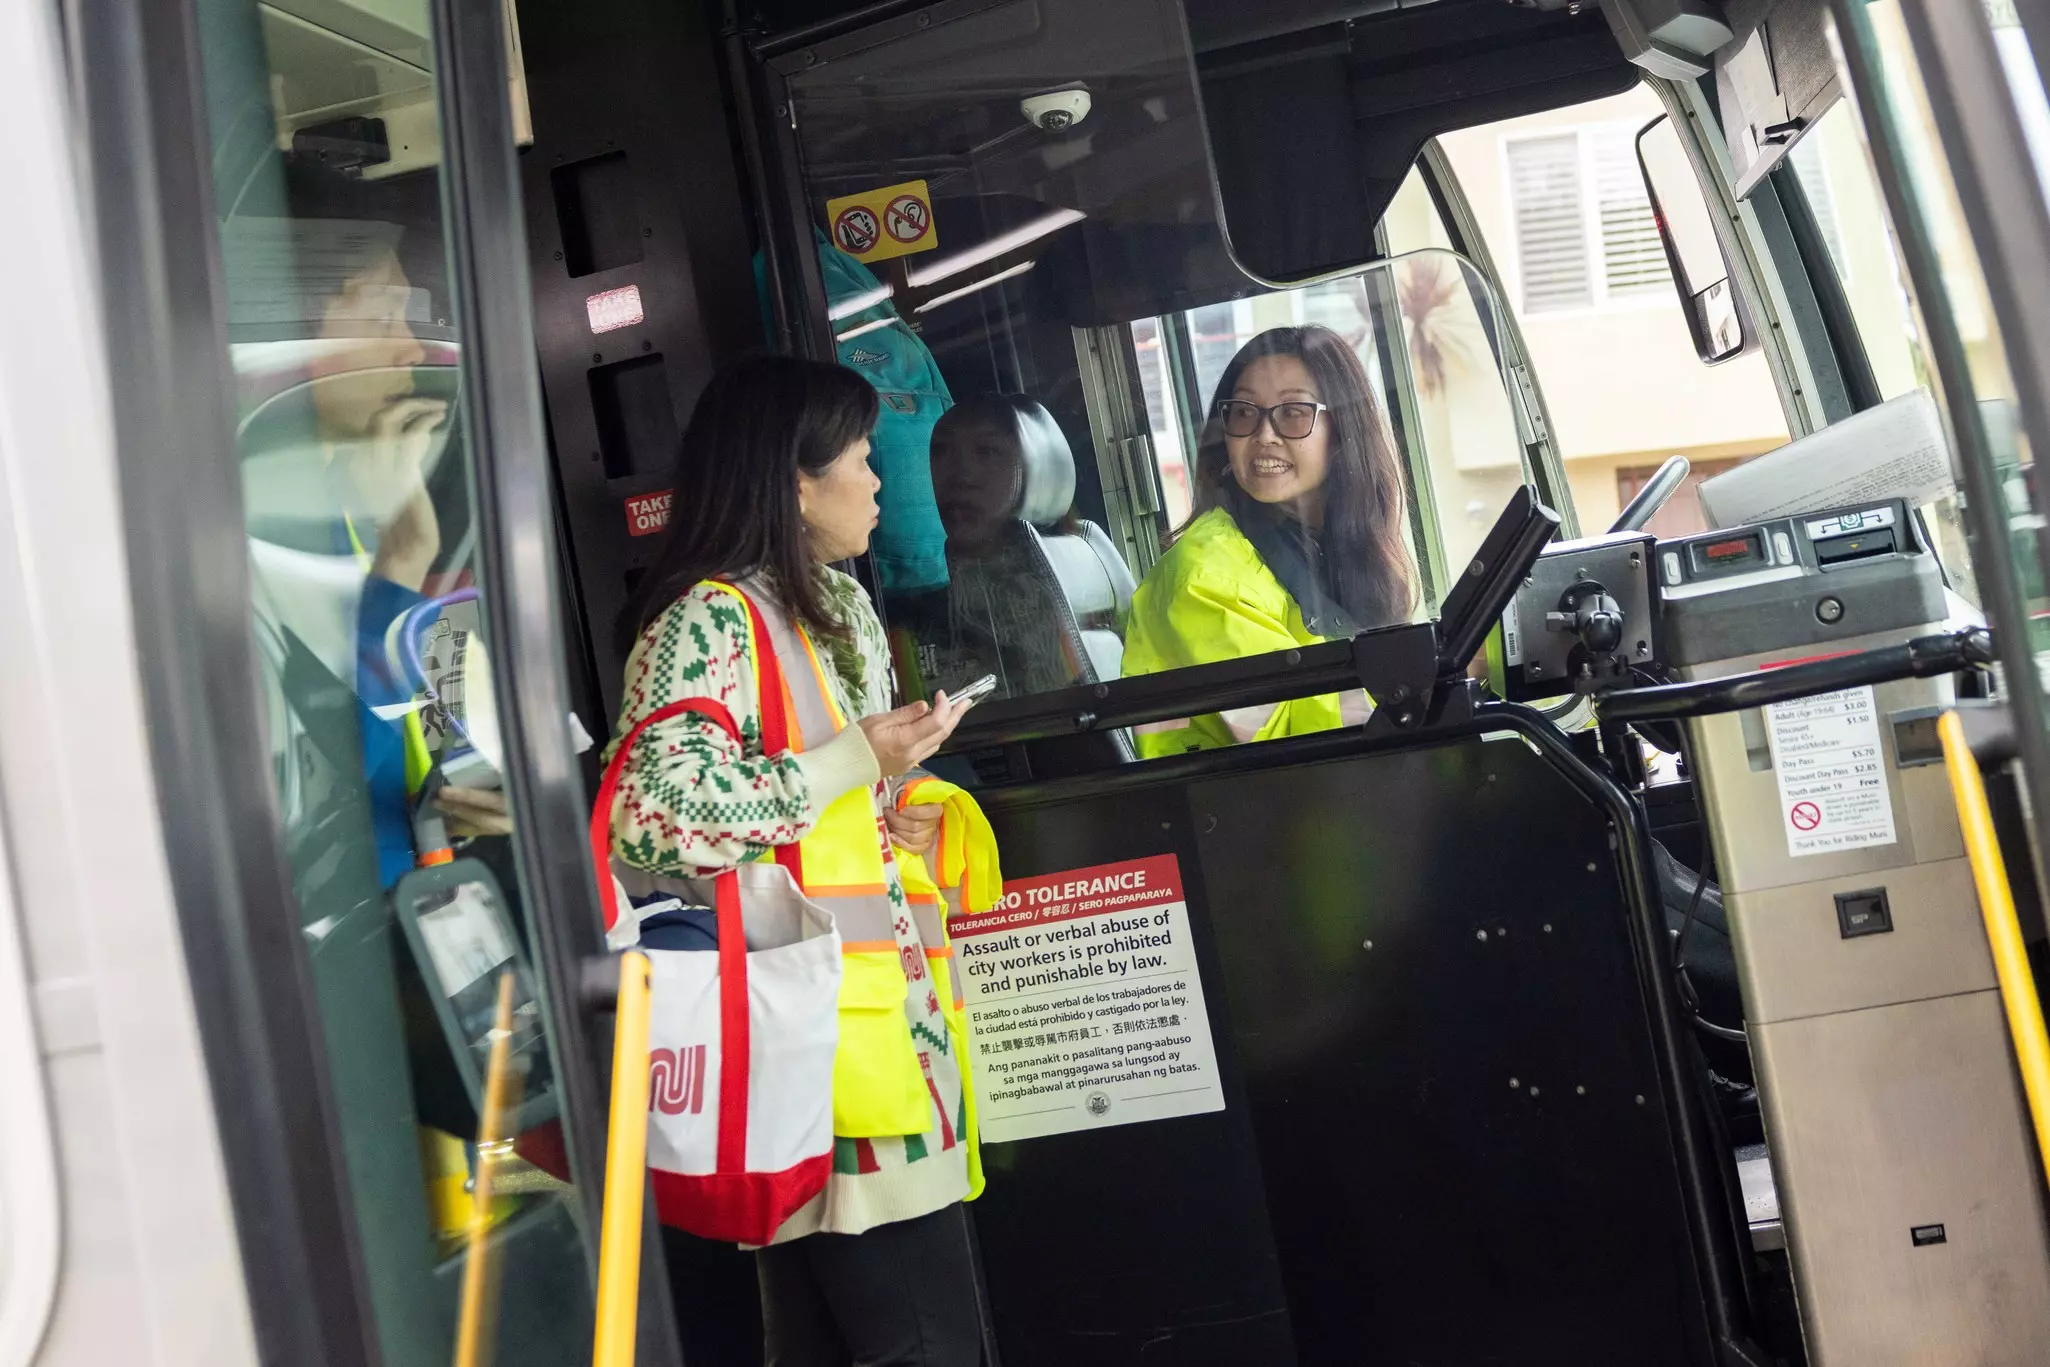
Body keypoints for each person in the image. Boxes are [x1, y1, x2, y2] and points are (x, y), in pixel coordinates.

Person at [606, 355, 986, 1367]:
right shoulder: (705, 621)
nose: (880, 481)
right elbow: (651, 813)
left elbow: (832, 799)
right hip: (809, 1042)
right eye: (861, 457)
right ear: (796, 482)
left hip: (885, 1030)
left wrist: (900, 801)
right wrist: (856, 760)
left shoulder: (841, 605)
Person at [1122, 324, 1419, 756]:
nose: (1263, 436)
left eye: (1292, 412)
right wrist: (1429, 680)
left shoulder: (1327, 547)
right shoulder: (1205, 576)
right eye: (1244, 412)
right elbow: (1291, 732)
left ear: (1343, 430)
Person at [914, 393, 1107, 699]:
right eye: (940, 450)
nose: (961, 475)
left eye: (987, 451)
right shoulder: (919, 604)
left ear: (1036, 466)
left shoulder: (1028, 589)